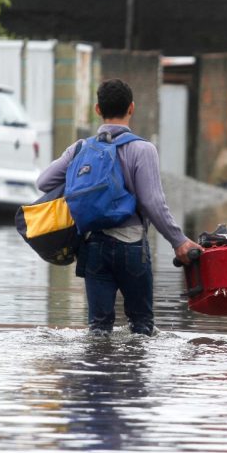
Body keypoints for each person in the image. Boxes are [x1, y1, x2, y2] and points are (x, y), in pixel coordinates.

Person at [37, 78, 202, 336]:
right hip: (131, 246)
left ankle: (95, 374)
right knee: (142, 328)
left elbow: (44, 182)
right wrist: (178, 241)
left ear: (97, 110)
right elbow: (153, 203)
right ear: (132, 108)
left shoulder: (79, 148)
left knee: (98, 331)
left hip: (92, 247)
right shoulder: (142, 149)